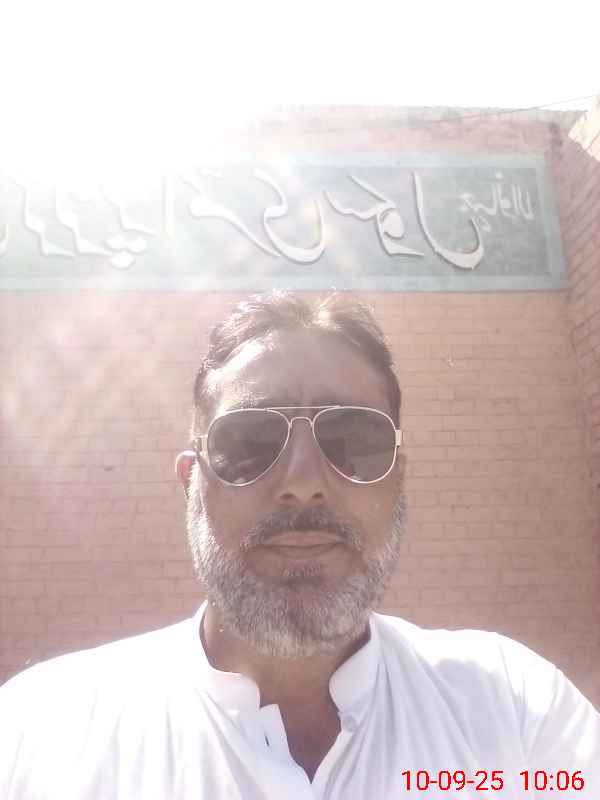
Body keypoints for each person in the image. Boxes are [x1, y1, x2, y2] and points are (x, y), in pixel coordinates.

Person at [0, 291, 598, 799]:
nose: (304, 482)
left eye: (354, 440)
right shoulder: (40, 737)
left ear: (397, 478)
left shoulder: (514, 714)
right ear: (192, 484)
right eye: (249, 443)